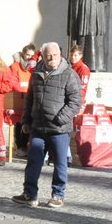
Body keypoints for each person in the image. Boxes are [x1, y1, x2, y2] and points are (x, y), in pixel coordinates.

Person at [11, 41, 82, 208]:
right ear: (42, 56)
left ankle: (57, 195)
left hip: (59, 129)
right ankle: (30, 194)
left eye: (55, 55)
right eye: (48, 55)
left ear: (60, 55)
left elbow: (75, 102)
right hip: (38, 127)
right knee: (33, 161)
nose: (52, 58)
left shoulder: (70, 75)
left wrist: (59, 119)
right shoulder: (36, 74)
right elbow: (30, 99)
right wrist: (26, 120)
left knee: (60, 163)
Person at [69, 42, 91, 107]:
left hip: (77, 100)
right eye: (71, 55)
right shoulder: (69, 67)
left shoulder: (83, 69)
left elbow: (83, 87)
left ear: (80, 56)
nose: (73, 57)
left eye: (75, 55)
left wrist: (78, 101)